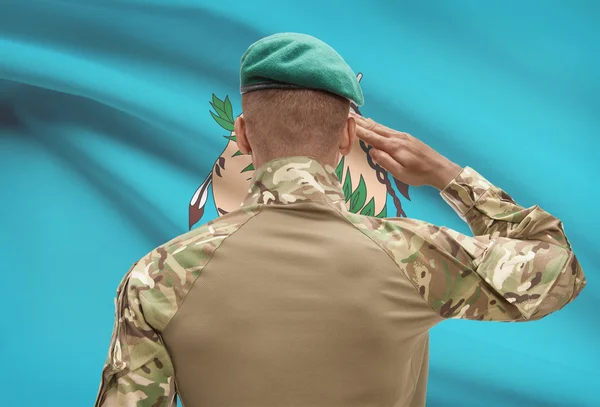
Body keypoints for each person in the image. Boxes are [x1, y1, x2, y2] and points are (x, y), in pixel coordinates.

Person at [94, 33, 586, 407]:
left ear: (242, 134)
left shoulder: (157, 276)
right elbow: (559, 268)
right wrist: (447, 176)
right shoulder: (416, 256)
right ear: (349, 135)